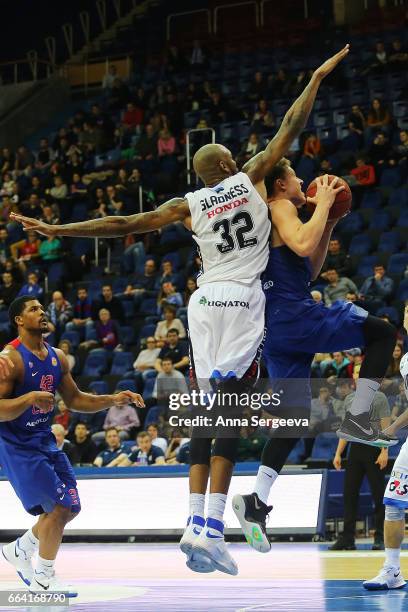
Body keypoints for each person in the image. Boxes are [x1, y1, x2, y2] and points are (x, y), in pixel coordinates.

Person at [10, 45, 351, 576]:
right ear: (228, 167)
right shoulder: (250, 178)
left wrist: (59, 229)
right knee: (233, 413)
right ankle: (214, 528)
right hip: (242, 300)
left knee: (206, 409)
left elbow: (122, 224)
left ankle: (194, 523)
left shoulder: (187, 206)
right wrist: (316, 76)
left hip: (202, 305)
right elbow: (291, 124)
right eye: (233, 160)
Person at [232, 159, 397, 554]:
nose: (303, 181)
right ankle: (360, 416)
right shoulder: (279, 207)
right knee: (383, 332)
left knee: (293, 419)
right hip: (295, 316)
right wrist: (323, 202)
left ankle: (256, 501)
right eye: (296, 177)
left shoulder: (276, 216)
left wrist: (331, 221)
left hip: (278, 328)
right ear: (280, 184)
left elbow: (307, 265)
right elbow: (304, 243)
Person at [0, 296, 143, 595]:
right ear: (19, 320)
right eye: (34, 309)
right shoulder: (9, 359)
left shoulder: (58, 357)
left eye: (42, 308)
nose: (42, 312)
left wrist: (112, 399)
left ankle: (19, 549)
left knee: (71, 507)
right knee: (59, 507)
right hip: (17, 445)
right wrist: (28, 398)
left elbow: (76, 399)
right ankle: (43, 577)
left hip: (44, 440)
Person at [363, 306, 408, 590]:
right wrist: (390, 430)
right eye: (406, 311)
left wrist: (390, 429)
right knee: (393, 503)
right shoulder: (405, 361)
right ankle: (392, 570)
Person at [330, 390, 391, 551]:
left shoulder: (380, 397)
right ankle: (347, 538)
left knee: (378, 495)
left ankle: (380, 537)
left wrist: (385, 450)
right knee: (349, 494)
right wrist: (338, 453)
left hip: (375, 448)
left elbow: (386, 425)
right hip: (354, 450)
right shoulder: (350, 398)